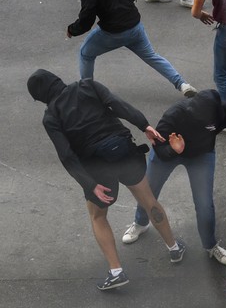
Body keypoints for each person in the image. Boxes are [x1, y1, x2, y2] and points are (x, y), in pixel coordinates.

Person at [27, 69, 187, 291]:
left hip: (97, 167)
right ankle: (174, 247)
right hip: (124, 151)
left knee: (98, 216)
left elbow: (66, 155)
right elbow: (118, 105)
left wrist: (90, 185)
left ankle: (116, 272)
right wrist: (144, 125)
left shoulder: (51, 116)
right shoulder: (88, 85)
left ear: (42, 96)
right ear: (57, 80)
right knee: (149, 201)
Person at [120, 89, 226, 265]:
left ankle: (210, 245)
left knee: (204, 203)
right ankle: (140, 223)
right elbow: (159, 149)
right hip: (170, 152)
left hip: (201, 155)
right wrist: (173, 150)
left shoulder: (225, 112)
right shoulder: (175, 114)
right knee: (149, 191)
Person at [68, 0, 197, 97]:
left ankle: (87, 91)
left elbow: (86, 22)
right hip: (135, 28)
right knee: (152, 56)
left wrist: (72, 30)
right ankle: (183, 84)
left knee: (85, 54)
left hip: (112, 34)